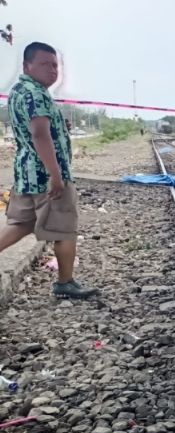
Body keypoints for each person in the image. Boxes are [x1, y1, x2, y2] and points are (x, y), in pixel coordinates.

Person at [0, 42, 98, 299]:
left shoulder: (19, 90)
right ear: (27, 65)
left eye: (55, 65)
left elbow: (36, 128)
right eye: (44, 64)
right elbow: (40, 135)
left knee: (22, 223)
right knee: (64, 229)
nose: (52, 70)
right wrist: (56, 176)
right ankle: (65, 283)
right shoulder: (37, 94)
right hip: (47, 177)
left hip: (26, 174)